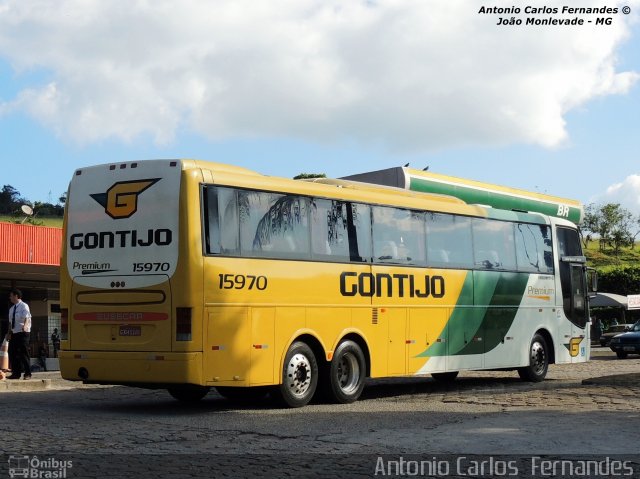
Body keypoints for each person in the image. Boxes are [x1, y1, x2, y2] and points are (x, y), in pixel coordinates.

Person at [7, 288, 32, 380]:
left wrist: (25, 326)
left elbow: (27, 317)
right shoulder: (11, 309)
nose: (10, 297)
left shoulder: (24, 306)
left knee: (23, 353)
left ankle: (28, 373)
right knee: (12, 352)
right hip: (14, 332)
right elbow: (10, 322)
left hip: (23, 332)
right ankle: (16, 373)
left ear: (16, 296)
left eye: (11, 296)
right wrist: (9, 333)